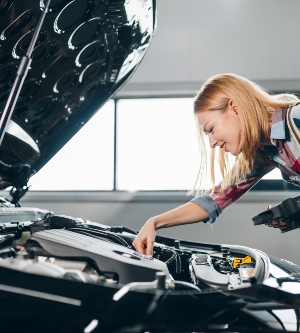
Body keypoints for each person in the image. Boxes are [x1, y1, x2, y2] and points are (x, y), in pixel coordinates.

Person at [132, 73, 300, 255]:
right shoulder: (265, 152)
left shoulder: (297, 118)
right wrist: (154, 223)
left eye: (211, 129)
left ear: (235, 107)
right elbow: (214, 200)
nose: (212, 143)